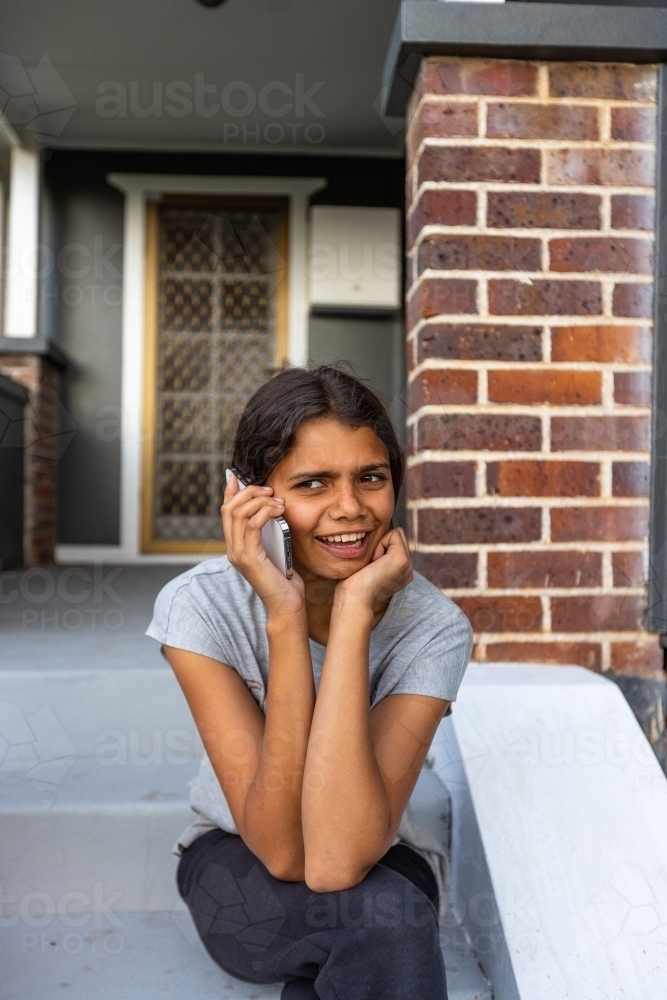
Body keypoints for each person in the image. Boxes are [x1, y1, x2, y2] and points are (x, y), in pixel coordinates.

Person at [147, 366, 472, 1000]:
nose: (350, 508)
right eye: (312, 482)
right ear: (250, 497)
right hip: (234, 858)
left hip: (380, 854)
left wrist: (353, 619)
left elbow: (339, 857)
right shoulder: (200, 608)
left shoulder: (434, 627)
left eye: (370, 478)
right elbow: (284, 854)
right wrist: (285, 616)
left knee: (383, 917)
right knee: (375, 929)